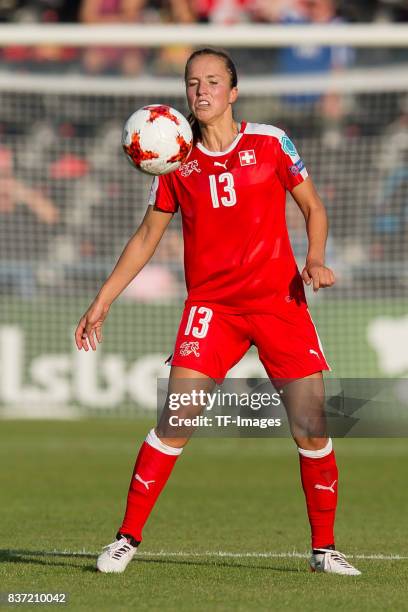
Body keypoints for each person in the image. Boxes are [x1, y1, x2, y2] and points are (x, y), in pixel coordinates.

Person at [75, 47, 361, 576]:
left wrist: (314, 259)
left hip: (280, 303)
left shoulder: (270, 142)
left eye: (211, 81)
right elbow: (145, 237)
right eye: (191, 83)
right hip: (213, 308)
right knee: (176, 419)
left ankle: (324, 550)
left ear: (233, 91)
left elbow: (313, 206)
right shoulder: (174, 159)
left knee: (312, 428)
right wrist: (103, 299)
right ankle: (125, 539)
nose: (201, 91)